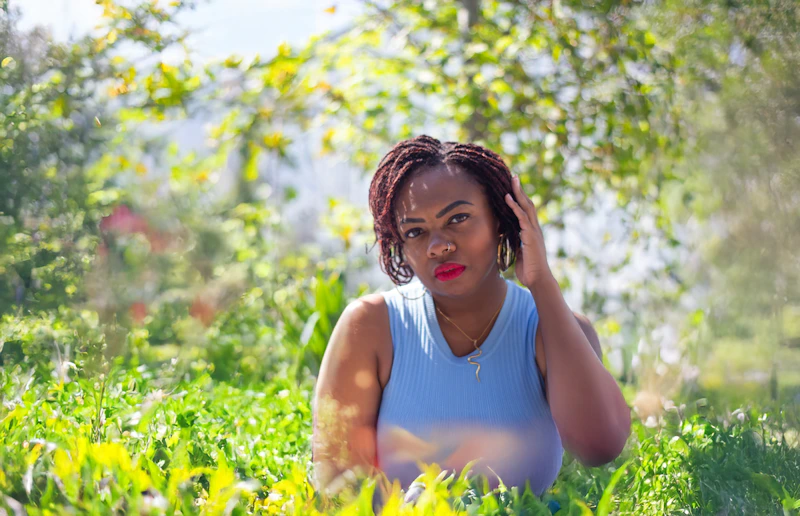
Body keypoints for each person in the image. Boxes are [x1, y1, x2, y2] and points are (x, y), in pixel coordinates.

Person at [311, 135, 631, 507]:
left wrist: (542, 282)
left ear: (502, 219)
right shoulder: (370, 327)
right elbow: (338, 490)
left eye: (458, 219)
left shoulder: (554, 331)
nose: (438, 245)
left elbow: (601, 446)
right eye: (415, 231)